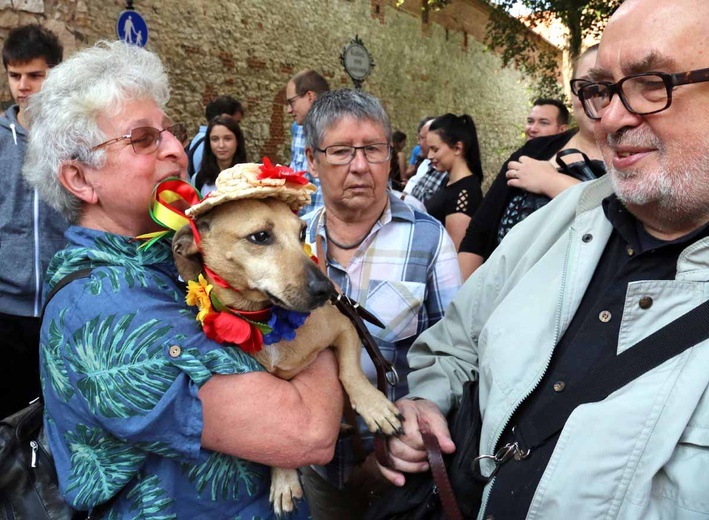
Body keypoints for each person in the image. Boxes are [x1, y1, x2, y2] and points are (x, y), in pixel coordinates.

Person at [378, 1, 709, 518]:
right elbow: (451, 348)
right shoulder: (562, 220)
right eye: (600, 91)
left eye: (650, 83)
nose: (611, 120)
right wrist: (425, 403)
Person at [22, 40, 342, 518]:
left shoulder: (170, 258)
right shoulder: (103, 311)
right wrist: (315, 312)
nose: (176, 148)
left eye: (169, 132)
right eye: (144, 139)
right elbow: (307, 430)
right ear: (80, 179)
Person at [299, 89, 462, 519]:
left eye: (373, 149)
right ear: (312, 161)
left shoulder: (428, 241)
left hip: (399, 468)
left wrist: (417, 426)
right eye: (340, 152)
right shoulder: (292, 241)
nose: (359, 166)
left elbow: (455, 352)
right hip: (311, 464)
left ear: (390, 157)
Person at [458, 45, 604, 280]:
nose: (597, 97)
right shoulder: (536, 150)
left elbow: (627, 225)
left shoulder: (639, 158)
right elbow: (480, 232)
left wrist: (552, 182)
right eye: (586, 86)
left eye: (609, 84)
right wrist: (461, 304)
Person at [0, 24, 67, 419]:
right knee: (8, 420)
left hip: (63, 302)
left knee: (59, 414)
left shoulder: (73, 137)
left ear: (55, 74)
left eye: (35, 75)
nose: (23, 86)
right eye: (15, 75)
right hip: (5, 311)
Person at [424, 114, 484, 250]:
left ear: (457, 148)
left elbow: (454, 251)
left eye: (435, 149)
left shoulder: (464, 192)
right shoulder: (449, 182)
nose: (429, 156)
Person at [286, 69, 330, 216]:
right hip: (300, 223)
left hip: (327, 224)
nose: (289, 110)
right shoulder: (297, 129)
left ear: (310, 96)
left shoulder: (341, 131)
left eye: (292, 102)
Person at [186, 95, 244, 178]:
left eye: (227, 139)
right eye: (236, 122)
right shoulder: (203, 144)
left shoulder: (198, 139)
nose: (221, 145)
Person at [192, 115, 247, 196]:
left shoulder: (248, 178)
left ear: (237, 141)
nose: (221, 145)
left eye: (227, 139)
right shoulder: (199, 179)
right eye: (215, 139)